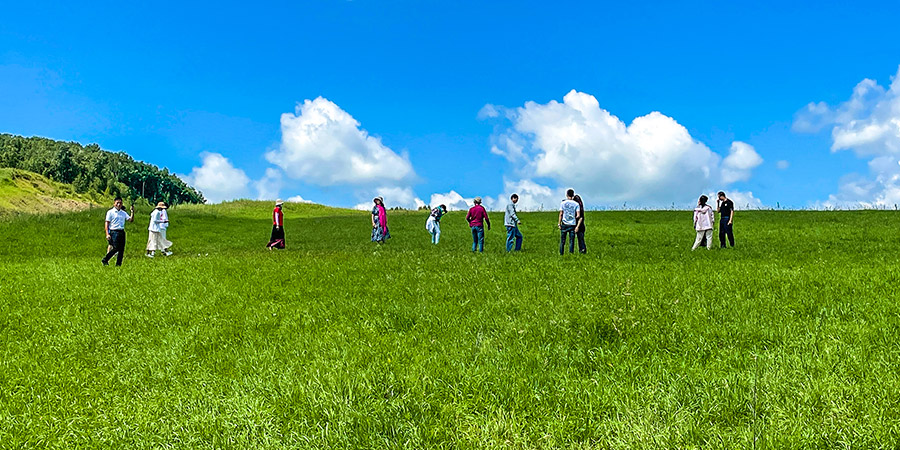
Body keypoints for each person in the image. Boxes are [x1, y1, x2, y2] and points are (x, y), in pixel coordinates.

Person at [102, 197, 134, 266]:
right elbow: (107, 223)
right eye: (117, 203)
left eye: (120, 203)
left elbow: (130, 220)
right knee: (116, 248)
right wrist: (107, 233)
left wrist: (132, 212)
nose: (119, 204)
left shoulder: (123, 213)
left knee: (121, 249)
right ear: (114, 204)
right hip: (114, 232)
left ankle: (118, 264)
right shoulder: (110, 212)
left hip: (121, 231)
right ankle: (105, 259)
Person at [558, 189, 580, 255]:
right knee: (571, 241)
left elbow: (561, 214)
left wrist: (559, 223)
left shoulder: (563, 203)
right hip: (572, 224)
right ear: (573, 195)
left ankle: (561, 253)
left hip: (564, 223)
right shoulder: (576, 204)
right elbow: (578, 215)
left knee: (562, 241)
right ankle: (571, 254)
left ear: (567, 195)